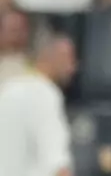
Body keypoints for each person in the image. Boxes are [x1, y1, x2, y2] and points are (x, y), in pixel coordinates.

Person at [0, 33, 77, 176]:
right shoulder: (45, 94)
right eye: (68, 59)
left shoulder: (8, 89)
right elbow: (56, 164)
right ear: (50, 57)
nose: (72, 68)